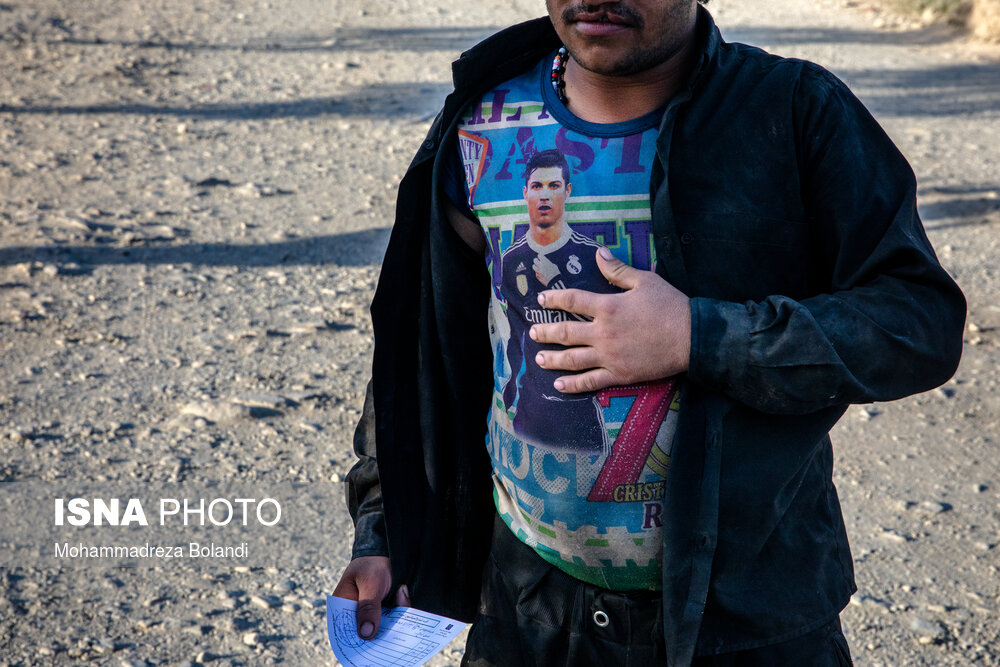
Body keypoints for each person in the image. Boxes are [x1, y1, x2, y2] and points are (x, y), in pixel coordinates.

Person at [333, 0, 966, 665]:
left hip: (751, 620)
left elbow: (918, 320)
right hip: (527, 613)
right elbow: (424, 355)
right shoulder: (482, 125)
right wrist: (385, 532)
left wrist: (699, 335)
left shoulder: (791, 111)